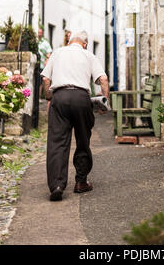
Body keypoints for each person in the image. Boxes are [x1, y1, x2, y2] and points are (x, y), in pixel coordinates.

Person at [41, 31, 110, 202]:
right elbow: (104, 79)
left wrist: (49, 97)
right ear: (85, 44)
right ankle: (81, 182)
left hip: (60, 97)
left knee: (57, 142)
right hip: (81, 98)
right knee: (82, 140)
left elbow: (45, 79)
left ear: (70, 42)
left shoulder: (57, 53)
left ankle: (57, 185)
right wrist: (104, 102)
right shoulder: (88, 55)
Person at [38, 28, 52, 98]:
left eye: (40, 32)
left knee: (40, 82)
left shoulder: (45, 43)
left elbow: (49, 53)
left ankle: (39, 97)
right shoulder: (35, 41)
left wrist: (47, 61)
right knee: (37, 81)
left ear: (42, 33)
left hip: (42, 65)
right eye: (38, 32)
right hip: (35, 64)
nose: (39, 34)